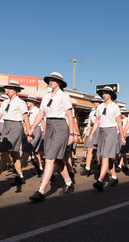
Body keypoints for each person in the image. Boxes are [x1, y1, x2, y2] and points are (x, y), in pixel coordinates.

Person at [27, 72, 75, 202]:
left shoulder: (64, 96)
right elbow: (40, 114)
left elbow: (70, 116)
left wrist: (72, 134)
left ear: (59, 83)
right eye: (50, 79)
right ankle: (69, 183)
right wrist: (32, 128)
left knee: (49, 158)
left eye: (54, 80)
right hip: (49, 126)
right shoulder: (46, 97)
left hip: (60, 126)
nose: (51, 81)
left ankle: (41, 190)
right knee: (58, 158)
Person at [0, 80, 31, 189]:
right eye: (7, 88)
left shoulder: (21, 102)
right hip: (6, 126)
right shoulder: (5, 102)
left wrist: (29, 133)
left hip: (16, 127)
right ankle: (20, 176)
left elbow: (26, 118)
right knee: (14, 154)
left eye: (10, 88)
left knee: (4, 152)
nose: (8, 91)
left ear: (16, 90)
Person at [20, 95, 46, 177]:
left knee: (27, 149)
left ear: (34, 102)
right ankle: (40, 168)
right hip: (28, 130)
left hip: (36, 130)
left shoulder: (38, 110)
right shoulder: (27, 111)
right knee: (35, 151)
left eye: (29, 101)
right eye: (27, 101)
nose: (27, 102)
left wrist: (45, 134)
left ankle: (18, 169)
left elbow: (42, 122)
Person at [80, 96, 103, 176]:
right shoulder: (92, 113)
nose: (95, 103)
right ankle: (87, 168)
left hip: (101, 130)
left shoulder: (103, 110)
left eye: (97, 101)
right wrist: (88, 134)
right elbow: (90, 125)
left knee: (100, 150)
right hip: (93, 130)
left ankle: (101, 166)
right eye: (94, 102)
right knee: (89, 149)